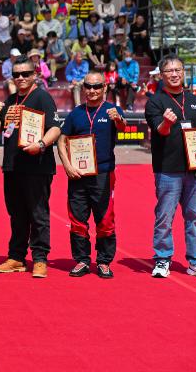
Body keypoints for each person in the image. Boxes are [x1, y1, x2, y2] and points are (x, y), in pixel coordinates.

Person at [145, 55, 196, 279]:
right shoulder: (155, 102)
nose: (174, 74)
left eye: (178, 70)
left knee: (195, 217)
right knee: (165, 217)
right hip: (167, 169)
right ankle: (162, 258)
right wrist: (167, 122)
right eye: (169, 71)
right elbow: (160, 131)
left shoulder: (193, 100)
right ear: (161, 75)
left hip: (193, 170)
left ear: (183, 72)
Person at [0, 55, 61, 278]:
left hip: (37, 166)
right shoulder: (11, 100)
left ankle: (40, 258)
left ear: (35, 75)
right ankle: (16, 257)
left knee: (38, 213)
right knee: (16, 214)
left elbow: (55, 128)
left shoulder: (42, 97)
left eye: (25, 74)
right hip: (12, 166)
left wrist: (40, 144)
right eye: (16, 74)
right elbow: (0, 128)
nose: (20, 78)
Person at [57, 72, 126, 278]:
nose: (92, 90)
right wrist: (67, 166)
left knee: (105, 218)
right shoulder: (75, 114)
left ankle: (104, 261)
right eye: (88, 86)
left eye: (97, 86)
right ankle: (82, 260)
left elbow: (122, 126)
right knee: (77, 218)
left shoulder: (112, 110)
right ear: (83, 89)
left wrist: (118, 119)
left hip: (103, 174)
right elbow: (61, 140)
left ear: (105, 88)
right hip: (77, 174)